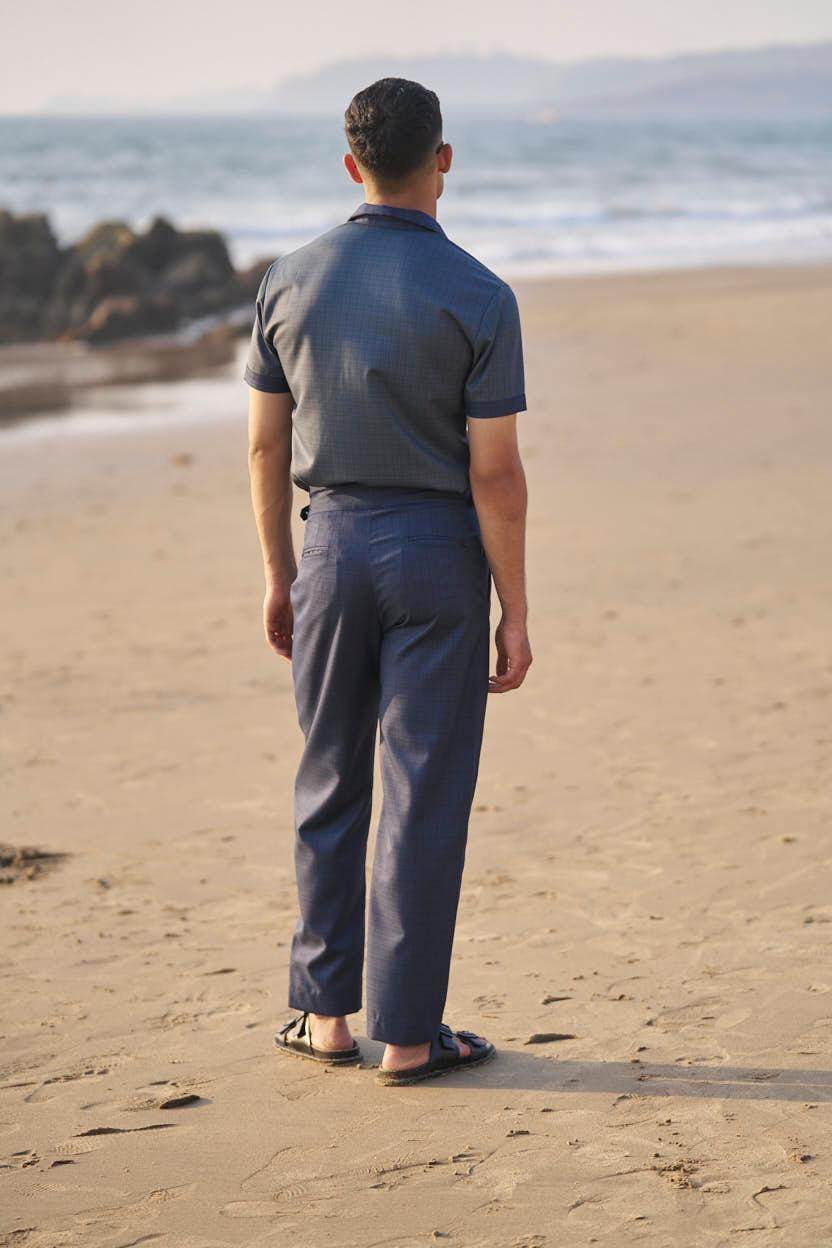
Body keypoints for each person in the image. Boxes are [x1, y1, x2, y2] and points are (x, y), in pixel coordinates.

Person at [245, 77, 531, 1086]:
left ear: (350, 163)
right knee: (423, 791)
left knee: (328, 777)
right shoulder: (481, 294)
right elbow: (495, 474)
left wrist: (280, 574)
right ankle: (408, 1036)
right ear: (442, 160)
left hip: (330, 548)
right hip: (438, 556)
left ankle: (325, 1017)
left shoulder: (288, 280)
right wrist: (515, 608)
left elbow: (265, 446)